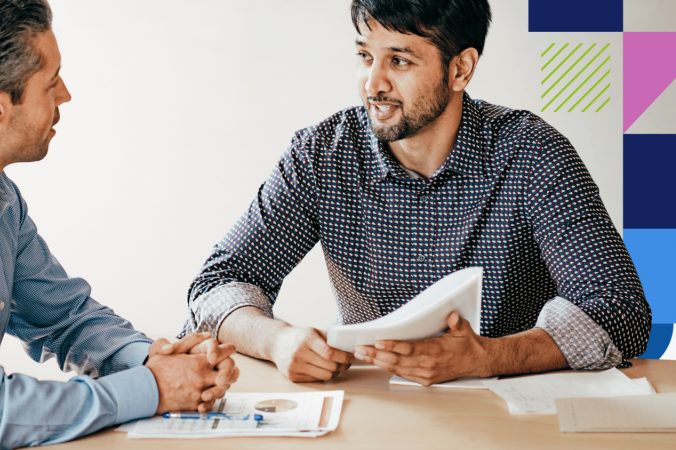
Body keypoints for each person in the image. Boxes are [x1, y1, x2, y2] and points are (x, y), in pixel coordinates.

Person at [182, 0, 651, 385]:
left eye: (399, 60)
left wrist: (488, 357)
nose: (373, 84)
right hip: (377, 410)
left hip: (511, 413)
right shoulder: (322, 155)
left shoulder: (531, 152)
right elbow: (217, 283)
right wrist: (275, 340)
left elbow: (620, 311)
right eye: (366, 56)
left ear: (461, 69)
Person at [0, 1, 238, 449]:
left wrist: (156, 360)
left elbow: (65, 317)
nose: (65, 94)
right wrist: (153, 388)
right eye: (51, 81)